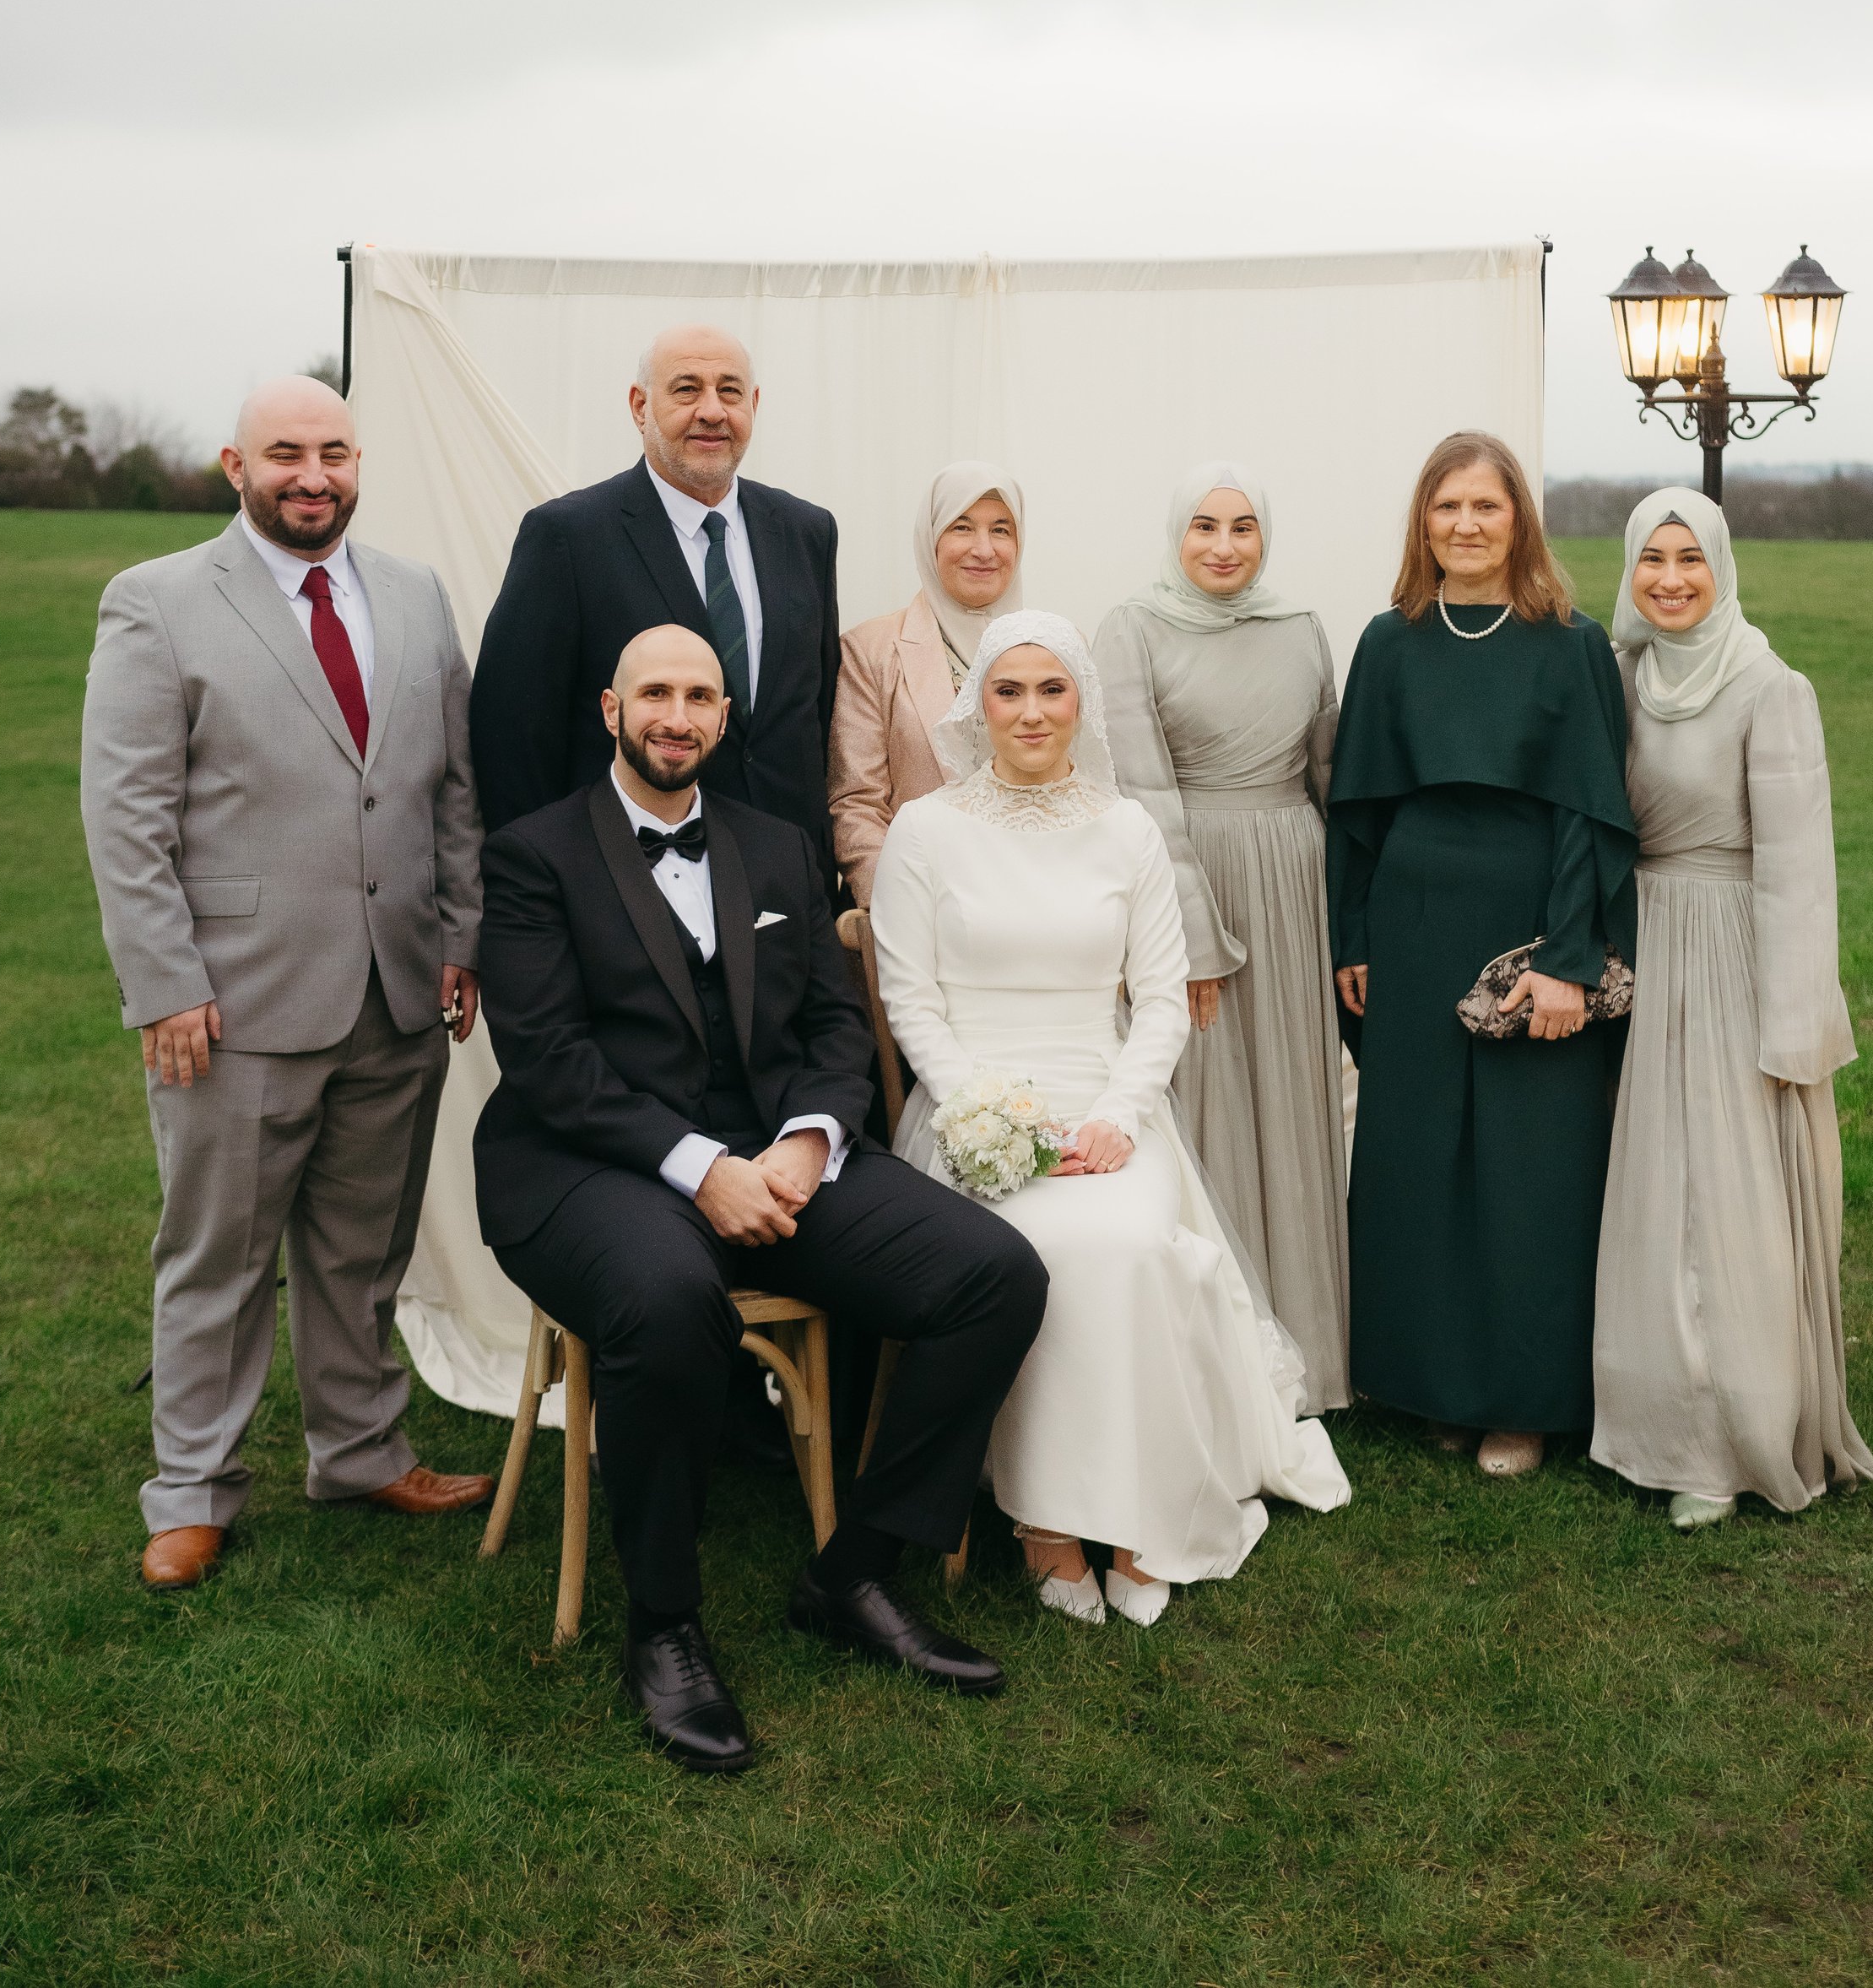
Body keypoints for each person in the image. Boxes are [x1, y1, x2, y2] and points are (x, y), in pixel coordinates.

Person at [474, 623, 1047, 1774]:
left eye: (699, 694)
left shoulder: (779, 848)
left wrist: (806, 1138)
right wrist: (701, 1165)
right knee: (673, 1294)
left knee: (994, 1274)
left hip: (777, 1152)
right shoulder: (534, 855)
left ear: (724, 715)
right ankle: (665, 1625)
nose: (676, 714)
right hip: (589, 1165)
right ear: (610, 709)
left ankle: (857, 1570)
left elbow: (836, 1025)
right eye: (654, 694)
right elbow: (548, 1060)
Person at [79, 376, 491, 1591]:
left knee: (364, 1250)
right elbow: (126, 814)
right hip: (232, 999)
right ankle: (192, 1489)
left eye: (333, 452)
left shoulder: (415, 594)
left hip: (400, 985)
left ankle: (360, 1450)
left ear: (360, 462)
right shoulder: (155, 603)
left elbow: (452, 790)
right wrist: (163, 982)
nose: (312, 474)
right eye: (284, 454)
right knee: (218, 1253)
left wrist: (461, 931)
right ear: (234, 464)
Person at [872, 611, 1350, 1631]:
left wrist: (1119, 1115)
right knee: (1031, 1246)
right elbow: (909, 999)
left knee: (1127, 1240)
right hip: (970, 1110)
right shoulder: (925, 827)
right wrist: (977, 1111)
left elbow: (1166, 1000)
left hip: (1104, 1105)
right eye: (1010, 690)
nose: (1033, 710)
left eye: (1052, 689)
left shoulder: (1126, 827)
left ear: (1081, 701)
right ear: (978, 705)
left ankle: (1133, 1511)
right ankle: (1045, 1521)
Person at [1329, 433, 1636, 1478]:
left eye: (1486, 507)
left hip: (1526, 916)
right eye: (1446, 506)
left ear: (1519, 523)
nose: (1465, 524)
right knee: (1414, 1158)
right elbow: (1358, 812)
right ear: (1423, 520)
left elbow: (1590, 814)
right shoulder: (1388, 640)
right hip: (1411, 920)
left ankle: (1524, 1397)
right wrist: (1353, 935)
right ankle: (1432, 1382)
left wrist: (1565, 956)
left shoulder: (1570, 644)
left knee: (1527, 1164)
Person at [1592, 491, 1873, 1527]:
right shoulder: (1619, 677)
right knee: (1650, 1183)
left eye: (1689, 560)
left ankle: (1727, 1431)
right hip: (1643, 940)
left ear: (1721, 568)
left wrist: (1790, 1025)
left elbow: (1800, 871)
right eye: (1650, 559)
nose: (1668, 578)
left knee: (1723, 1189)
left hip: (1729, 956)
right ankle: (1649, 1407)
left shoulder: (1770, 686)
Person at [1096, 468, 1351, 1412]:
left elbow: (1327, 770)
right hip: (1183, 883)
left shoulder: (1302, 626)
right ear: (1176, 533)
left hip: (1294, 876)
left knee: (1294, 1097)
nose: (1223, 544)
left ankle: (1312, 1357)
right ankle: (1217, 1363)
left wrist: (1348, 912)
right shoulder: (1130, 627)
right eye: (1203, 525)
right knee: (1204, 1112)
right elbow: (1142, 791)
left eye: (1244, 527)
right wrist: (1191, 941)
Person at [470, 328, 841, 873]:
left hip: (785, 889)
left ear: (754, 405)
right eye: (687, 389)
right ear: (640, 406)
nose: (712, 411)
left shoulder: (807, 531)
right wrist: (539, 891)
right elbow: (512, 739)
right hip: (621, 888)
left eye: (731, 391)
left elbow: (818, 712)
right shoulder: (568, 538)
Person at [830, 463, 1025, 911]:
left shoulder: (1051, 648)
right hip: (920, 907)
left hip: (1032, 905)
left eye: (1001, 529)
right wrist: (904, 913)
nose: (984, 549)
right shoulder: (872, 649)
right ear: (930, 536)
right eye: (962, 527)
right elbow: (857, 804)